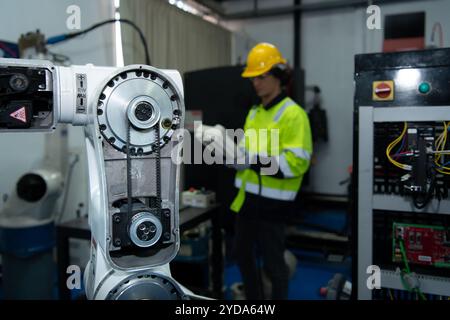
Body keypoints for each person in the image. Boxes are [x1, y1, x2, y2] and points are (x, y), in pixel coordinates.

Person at [230, 42, 313, 300]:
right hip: (246, 200)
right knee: (242, 255)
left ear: (279, 77)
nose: (256, 83)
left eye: (262, 77)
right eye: (253, 78)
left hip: (273, 205)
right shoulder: (254, 113)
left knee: (274, 264)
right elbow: (244, 151)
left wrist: (253, 161)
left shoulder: (294, 115)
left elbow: (296, 163)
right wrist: (230, 156)